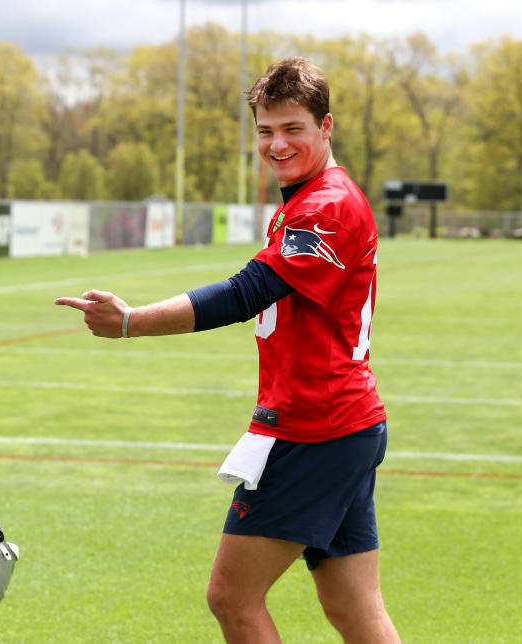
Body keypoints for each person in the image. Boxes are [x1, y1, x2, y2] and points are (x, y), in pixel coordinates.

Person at [55, 58, 400, 643]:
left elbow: (247, 293)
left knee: (232, 597)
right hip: (342, 425)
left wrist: (131, 322)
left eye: (293, 128)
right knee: (353, 607)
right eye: (266, 131)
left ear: (326, 126)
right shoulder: (309, 198)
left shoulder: (326, 205)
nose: (277, 144)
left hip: (316, 429)